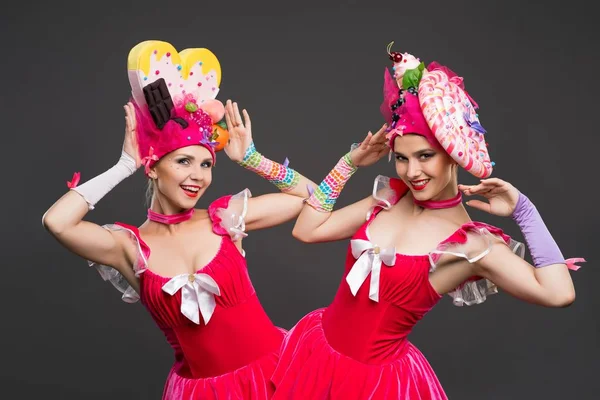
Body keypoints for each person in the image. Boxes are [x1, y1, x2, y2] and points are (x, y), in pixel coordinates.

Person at [270, 43, 585, 399]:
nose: (412, 172)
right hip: (318, 354)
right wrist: (350, 162)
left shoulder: (471, 244)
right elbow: (307, 229)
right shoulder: (387, 197)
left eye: (425, 156)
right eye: (402, 158)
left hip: (373, 386)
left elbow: (559, 294)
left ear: (451, 153)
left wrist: (524, 210)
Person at [42, 40, 315, 400]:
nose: (198, 176)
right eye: (183, 162)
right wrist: (124, 166)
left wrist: (252, 159)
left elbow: (311, 197)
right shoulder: (128, 247)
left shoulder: (224, 218)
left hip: (277, 379)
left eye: (205, 164)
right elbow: (57, 222)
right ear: (153, 167)